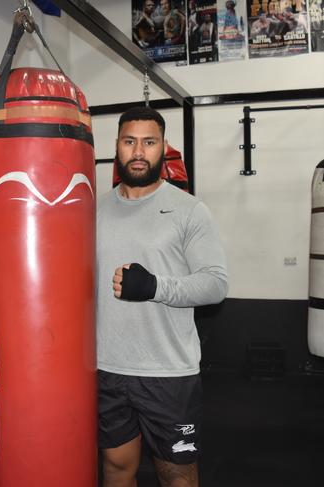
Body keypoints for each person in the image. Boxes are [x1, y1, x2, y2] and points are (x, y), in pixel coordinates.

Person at [96, 107, 228, 487]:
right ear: (117, 147)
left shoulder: (189, 211)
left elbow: (216, 284)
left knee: (177, 475)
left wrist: (155, 287)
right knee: (116, 468)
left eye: (149, 142)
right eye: (129, 141)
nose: (139, 151)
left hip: (167, 373)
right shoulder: (94, 209)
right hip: (108, 368)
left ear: (163, 148)